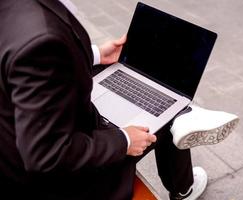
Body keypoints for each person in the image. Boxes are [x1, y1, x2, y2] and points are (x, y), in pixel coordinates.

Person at [0, 0, 210, 199]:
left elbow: (21, 62)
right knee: (172, 116)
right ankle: (184, 190)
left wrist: (97, 55)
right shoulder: (41, 41)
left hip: (16, 135)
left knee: (119, 79)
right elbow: (47, 154)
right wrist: (124, 141)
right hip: (58, 185)